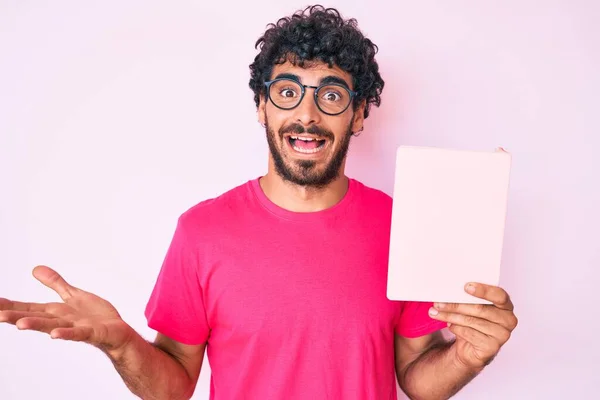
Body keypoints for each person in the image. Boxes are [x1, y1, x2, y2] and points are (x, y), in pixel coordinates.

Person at [0, 5, 518, 400]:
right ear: (262, 108)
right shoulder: (202, 231)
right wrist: (120, 344)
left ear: (358, 115)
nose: (308, 115)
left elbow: (418, 377)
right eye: (288, 92)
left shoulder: (404, 223)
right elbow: (174, 383)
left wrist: (470, 357)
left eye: (332, 95)